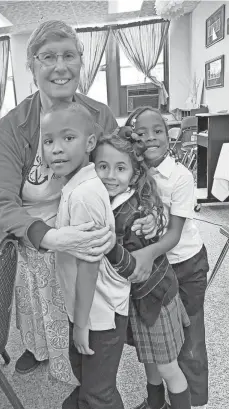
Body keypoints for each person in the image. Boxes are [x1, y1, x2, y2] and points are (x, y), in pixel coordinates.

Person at [0, 19, 117, 383]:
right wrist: (49, 236)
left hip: (87, 230)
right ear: (32, 67)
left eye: (69, 55)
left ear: (81, 61)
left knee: (91, 320)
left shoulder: (100, 115)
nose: (60, 66)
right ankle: (39, 347)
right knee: (44, 313)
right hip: (37, 236)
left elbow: (124, 177)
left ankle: (92, 366)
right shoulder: (13, 126)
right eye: (48, 57)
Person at [93, 128, 191, 409]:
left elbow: (131, 263)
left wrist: (107, 245)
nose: (110, 175)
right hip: (143, 299)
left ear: (134, 175)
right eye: (103, 166)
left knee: (168, 366)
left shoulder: (132, 213)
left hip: (154, 299)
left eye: (120, 168)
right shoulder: (118, 200)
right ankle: (155, 403)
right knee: (149, 359)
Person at [41, 101, 130, 409]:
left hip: (99, 315)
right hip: (86, 309)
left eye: (68, 138)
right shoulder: (75, 186)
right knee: (88, 378)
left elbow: (89, 266)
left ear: (90, 143)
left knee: (98, 393)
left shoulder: (83, 195)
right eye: (48, 140)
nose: (55, 149)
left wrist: (81, 324)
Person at [124, 107, 209, 409]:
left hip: (184, 266)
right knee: (151, 343)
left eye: (157, 131)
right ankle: (155, 401)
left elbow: (173, 235)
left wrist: (144, 255)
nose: (150, 138)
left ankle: (191, 400)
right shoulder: (129, 172)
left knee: (188, 339)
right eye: (141, 132)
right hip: (153, 270)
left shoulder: (180, 177)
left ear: (168, 135)